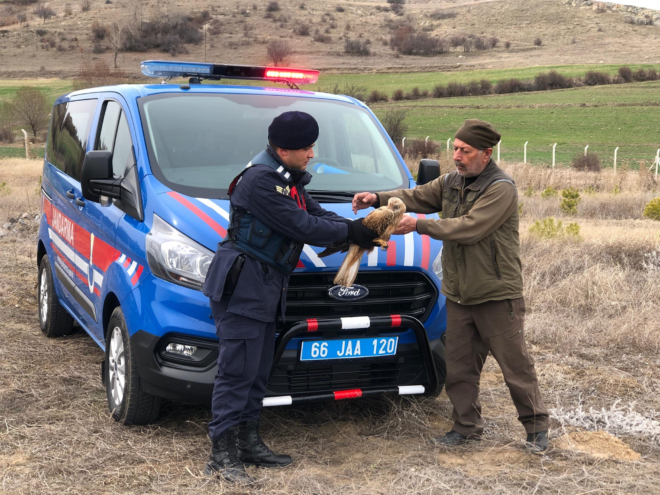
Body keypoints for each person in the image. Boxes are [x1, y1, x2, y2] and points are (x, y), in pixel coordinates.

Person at [202, 111, 379, 483]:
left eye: (312, 146)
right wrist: (353, 230)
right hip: (245, 286)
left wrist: (356, 230)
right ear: (283, 149)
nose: (312, 154)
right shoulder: (261, 182)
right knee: (237, 371)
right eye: (306, 148)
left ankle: (248, 443)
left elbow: (315, 213)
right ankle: (222, 456)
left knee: (258, 369)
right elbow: (302, 226)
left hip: (266, 284)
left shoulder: (287, 180)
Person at [352, 119, 550, 453]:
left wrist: (420, 225)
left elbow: (470, 227)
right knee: (458, 367)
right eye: (455, 148)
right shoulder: (451, 181)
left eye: (465, 151)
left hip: (496, 294)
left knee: (515, 367)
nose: (457, 156)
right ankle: (466, 427)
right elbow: (416, 195)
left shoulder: (501, 188)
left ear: (486, 154)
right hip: (459, 293)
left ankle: (536, 430)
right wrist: (378, 198)